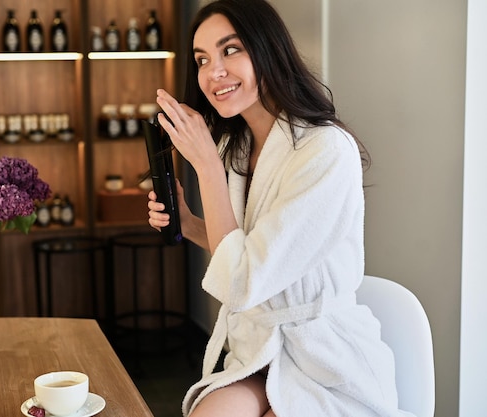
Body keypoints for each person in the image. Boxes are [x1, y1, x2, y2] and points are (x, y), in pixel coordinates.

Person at [147, 0, 414, 416]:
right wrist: (190, 223)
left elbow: (243, 281)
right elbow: (244, 254)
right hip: (259, 352)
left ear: (267, 49)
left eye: (230, 50)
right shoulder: (235, 146)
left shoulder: (324, 150)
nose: (213, 71)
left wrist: (206, 168)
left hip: (327, 360)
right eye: (202, 59)